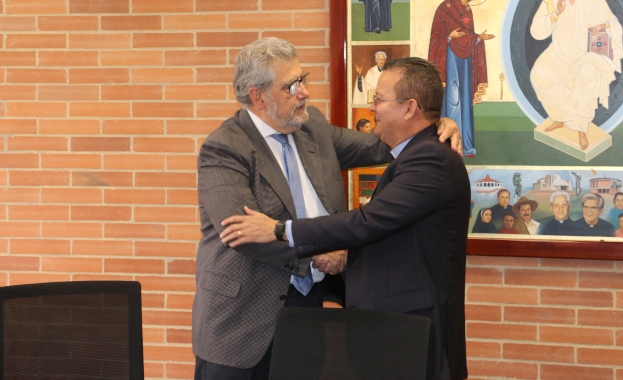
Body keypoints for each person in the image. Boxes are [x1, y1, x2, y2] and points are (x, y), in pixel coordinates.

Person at [193, 38, 461, 380]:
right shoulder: (225, 148)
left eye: (303, 78)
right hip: (242, 323)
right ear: (257, 96)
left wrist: (434, 125)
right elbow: (240, 232)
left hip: (307, 310)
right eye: (291, 85)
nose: (304, 91)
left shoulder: (312, 127)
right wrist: (318, 257)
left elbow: (383, 142)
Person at [529, 0, 623, 151]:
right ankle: (559, 117)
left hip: (585, 54)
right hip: (557, 53)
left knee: (587, 75)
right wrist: (555, 15)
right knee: (539, 73)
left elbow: (613, 22)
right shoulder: (551, 1)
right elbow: (537, 32)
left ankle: (581, 130)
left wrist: (603, 26)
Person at [428, 0, 494, 157]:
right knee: (453, 98)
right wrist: (449, 37)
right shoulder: (445, 7)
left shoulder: (467, 9)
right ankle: (450, 144)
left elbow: (467, 36)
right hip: (449, 57)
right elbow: (436, 37)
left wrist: (478, 38)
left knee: (464, 100)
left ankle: (467, 145)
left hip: (465, 61)